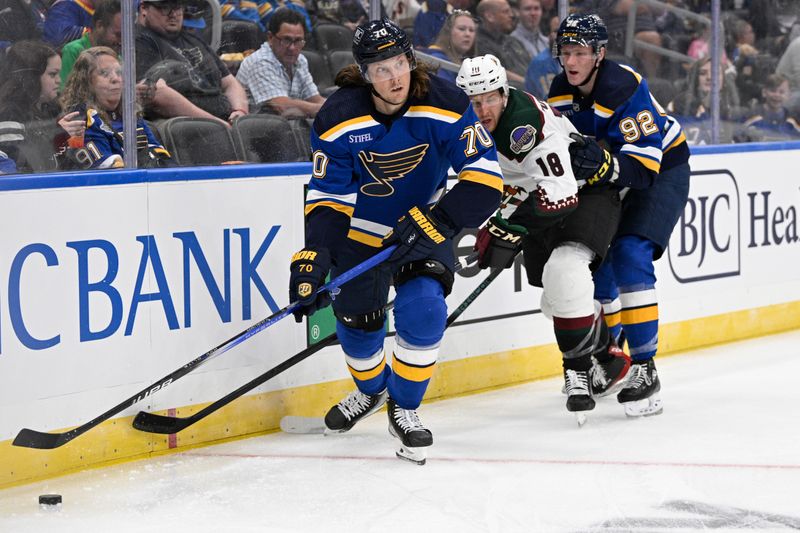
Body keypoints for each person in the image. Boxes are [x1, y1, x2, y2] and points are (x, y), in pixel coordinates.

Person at [288, 19, 502, 464]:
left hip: (425, 226)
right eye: (381, 69)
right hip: (360, 235)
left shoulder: (445, 102)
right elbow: (329, 195)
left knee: (424, 310)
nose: (394, 77)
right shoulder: (337, 116)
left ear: (411, 60)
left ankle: (403, 407)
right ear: (365, 74)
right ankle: (370, 391)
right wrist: (315, 254)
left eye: (399, 63)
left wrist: (437, 219)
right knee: (358, 328)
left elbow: (484, 179)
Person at [456, 54, 630, 421]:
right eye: (475, 102)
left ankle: (577, 372)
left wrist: (509, 228)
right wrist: (500, 223)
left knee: (566, 271)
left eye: (490, 98)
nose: (483, 109)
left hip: (586, 194)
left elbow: (561, 195)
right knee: (555, 299)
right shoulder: (471, 125)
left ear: (504, 94)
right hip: (537, 198)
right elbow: (519, 186)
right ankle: (608, 359)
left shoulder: (524, 125)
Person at [548, 13, 691, 418]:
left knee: (629, 253)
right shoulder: (561, 90)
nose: (571, 61)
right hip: (612, 179)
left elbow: (644, 171)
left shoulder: (622, 86)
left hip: (663, 171)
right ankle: (610, 359)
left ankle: (646, 367)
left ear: (600, 53)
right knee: (592, 263)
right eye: (565, 52)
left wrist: (602, 165)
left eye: (580, 52)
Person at [136, 0, 249, 126]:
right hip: (189, 128)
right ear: (144, 9)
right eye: (164, 7)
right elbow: (157, 93)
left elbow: (230, 83)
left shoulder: (193, 40)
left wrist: (239, 111)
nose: (173, 14)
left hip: (222, 122)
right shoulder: (140, 42)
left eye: (178, 7)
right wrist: (216, 124)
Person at [59, 46, 173, 169]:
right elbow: (109, 169)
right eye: (104, 73)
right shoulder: (81, 118)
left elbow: (162, 158)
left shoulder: (130, 113)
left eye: (119, 73)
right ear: (87, 82)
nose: (115, 79)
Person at [0, 40, 84, 173]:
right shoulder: (9, 113)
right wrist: (57, 134)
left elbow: (67, 164)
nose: (59, 80)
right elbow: (19, 166)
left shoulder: (53, 109)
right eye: (52, 74)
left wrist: (74, 141)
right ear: (31, 77)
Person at [236, 8, 325, 118]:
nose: (292, 48)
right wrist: (325, 109)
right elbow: (282, 105)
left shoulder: (300, 60)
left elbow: (315, 98)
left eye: (298, 41)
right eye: (286, 40)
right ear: (270, 38)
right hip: (259, 130)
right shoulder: (260, 62)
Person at [667, 57, 743, 145]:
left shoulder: (728, 107)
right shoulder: (682, 103)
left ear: (724, 80)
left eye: (715, 73)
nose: (710, 77)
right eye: (703, 73)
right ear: (695, 79)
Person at [60, 0, 122, 89]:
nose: (121, 42)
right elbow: (65, 94)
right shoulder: (74, 51)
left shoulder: (118, 55)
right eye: (118, 35)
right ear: (99, 25)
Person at [475, 0, 531, 84]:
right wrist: (529, 84)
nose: (511, 15)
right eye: (506, 12)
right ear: (490, 16)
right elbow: (494, 71)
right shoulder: (478, 43)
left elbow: (532, 66)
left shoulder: (514, 41)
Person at [737, 73, 800, 141]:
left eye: (781, 92)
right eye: (773, 91)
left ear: (788, 95)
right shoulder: (751, 116)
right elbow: (737, 141)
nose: (777, 95)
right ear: (764, 92)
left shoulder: (793, 120)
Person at [421, 9, 477, 83]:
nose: (468, 34)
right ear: (448, 32)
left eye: (471, 30)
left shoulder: (469, 61)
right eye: (462, 29)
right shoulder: (437, 60)